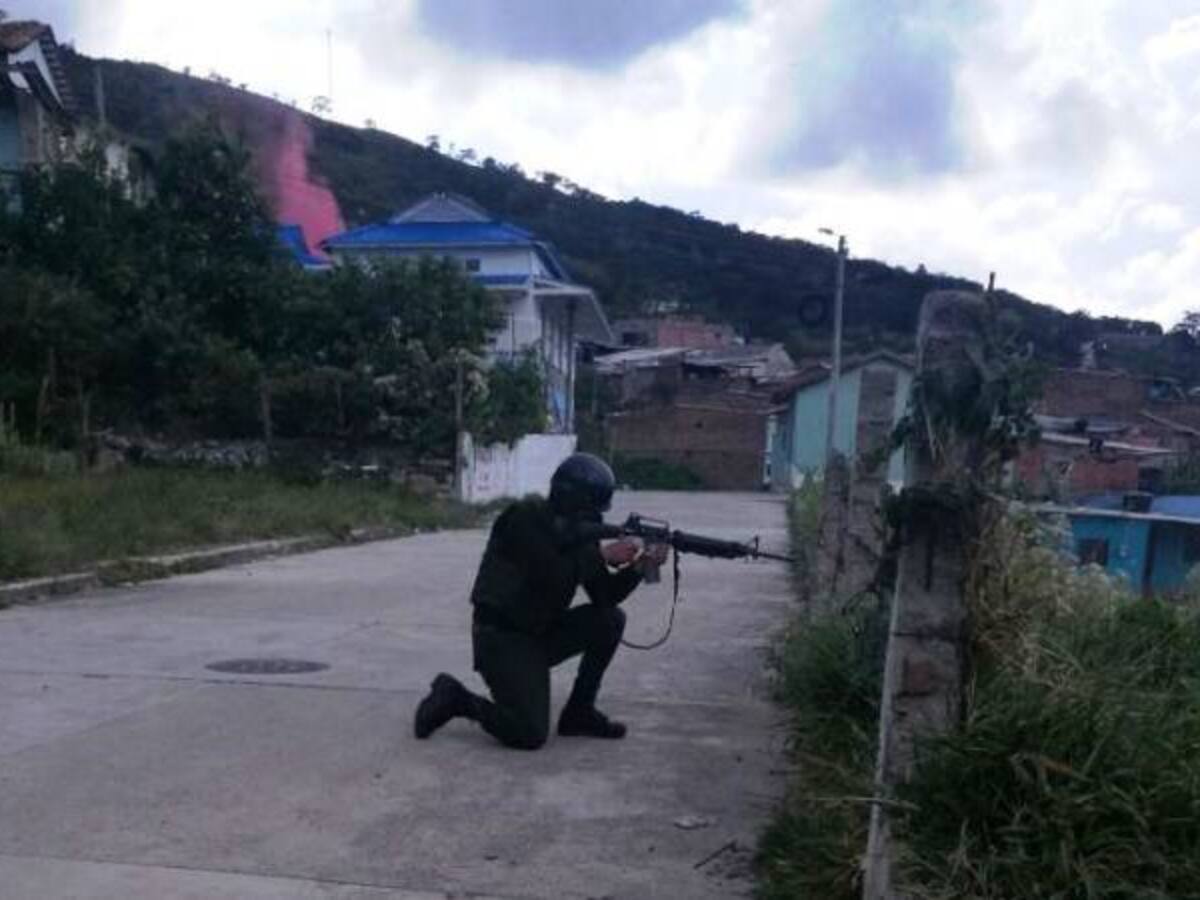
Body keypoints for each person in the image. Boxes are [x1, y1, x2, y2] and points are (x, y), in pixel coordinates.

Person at [413, 452, 668, 749]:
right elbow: (549, 574)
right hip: (502, 639)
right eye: (590, 512)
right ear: (573, 501)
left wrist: (641, 566)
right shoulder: (524, 518)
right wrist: (602, 554)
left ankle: (579, 712)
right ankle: (457, 698)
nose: (596, 520)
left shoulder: (578, 535)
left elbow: (605, 597)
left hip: (540, 632)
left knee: (609, 620)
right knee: (529, 733)